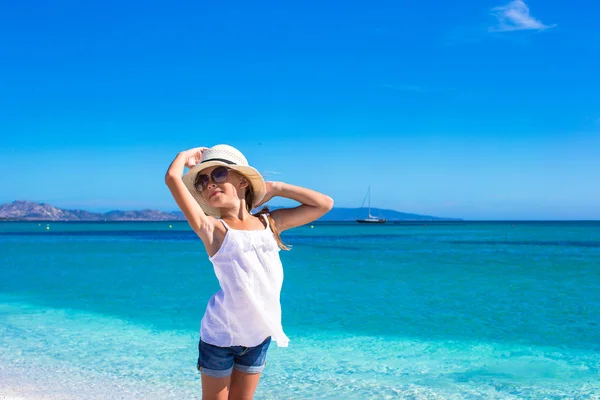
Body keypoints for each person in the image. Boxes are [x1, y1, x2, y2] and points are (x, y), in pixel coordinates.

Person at [165, 144, 333, 400]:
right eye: (202, 180)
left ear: (243, 181)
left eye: (219, 173)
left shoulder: (270, 223)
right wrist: (183, 157)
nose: (210, 183)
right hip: (219, 337)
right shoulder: (213, 229)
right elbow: (172, 178)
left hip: (258, 335)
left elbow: (324, 204)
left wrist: (273, 188)